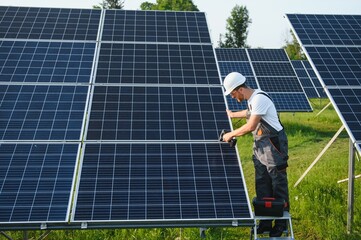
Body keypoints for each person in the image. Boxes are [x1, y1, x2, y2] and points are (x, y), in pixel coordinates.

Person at [222, 72, 289, 237]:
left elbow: (251, 125)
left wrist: (231, 134)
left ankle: (281, 224)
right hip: (260, 147)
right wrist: (232, 114)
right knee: (262, 184)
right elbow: (248, 113)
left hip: (273, 147)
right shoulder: (252, 100)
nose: (232, 96)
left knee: (277, 184)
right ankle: (265, 222)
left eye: (232, 93)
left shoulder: (259, 98)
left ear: (240, 89)